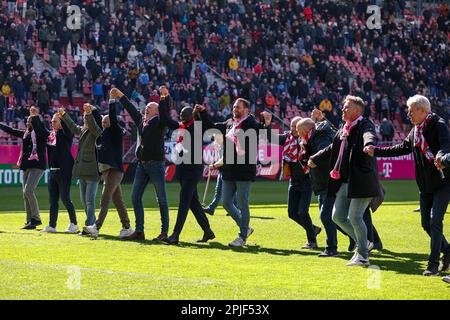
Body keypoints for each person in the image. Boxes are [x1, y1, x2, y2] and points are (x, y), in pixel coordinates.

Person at [365, 95, 450, 276]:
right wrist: (376, 151)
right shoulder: (416, 130)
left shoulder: (439, 124)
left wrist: (441, 157)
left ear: (422, 110)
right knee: (426, 224)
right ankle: (448, 251)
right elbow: (401, 148)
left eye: (411, 110)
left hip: (443, 182)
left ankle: (433, 264)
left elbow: (446, 146)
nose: (408, 114)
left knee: (435, 221)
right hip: (425, 185)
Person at [309, 95, 381, 267]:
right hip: (346, 181)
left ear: (356, 110)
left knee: (355, 217)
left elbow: (369, 135)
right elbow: (331, 148)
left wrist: (369, 144)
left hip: (362, 180)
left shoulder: (365, 125)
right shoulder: (344, 129)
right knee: (337, 216)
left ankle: (363, 255)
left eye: (346, 107)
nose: (342, 109)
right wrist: (315, 157)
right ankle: (364, 243)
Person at [202, 98, 272, 247]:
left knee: (242, 203)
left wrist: (266, 123)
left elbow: (262, 131)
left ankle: (242, 237)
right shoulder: (229, 123)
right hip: (229, 169)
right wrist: (202, 113)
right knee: (226, 202)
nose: (235, 109)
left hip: (244, 170)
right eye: (234, 107)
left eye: (238, 107)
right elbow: (211, 126)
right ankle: (245, 228)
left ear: (246, 110)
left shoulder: (250, 123)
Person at [111, 86, 176, 241]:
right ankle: (139, 231)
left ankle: (164, 232)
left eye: (150, 107)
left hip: (156, 164)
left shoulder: (160, 122)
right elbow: (130, 107)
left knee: (162, 199)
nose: (146, 108)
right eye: (146, 107)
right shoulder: (142, 121)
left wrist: (164, 96)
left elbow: (165, 111)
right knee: (135, 197)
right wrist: (120, 94)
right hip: (142, 165)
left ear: (157, 111)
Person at [163, 96, 216, 245]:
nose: (181, 118)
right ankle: (208, 231)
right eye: (180, 116)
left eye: (183, 116)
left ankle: (175, 234)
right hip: (183, 169)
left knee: (184, 201)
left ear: (190, 117)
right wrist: (164, 99)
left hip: (193, 170)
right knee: (193, 203)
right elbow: (166, 120)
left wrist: (202, 112)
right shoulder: (182, 127)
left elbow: (209, 124)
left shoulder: (197, 127)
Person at [83, 100, 134, 238]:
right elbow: (100, 120)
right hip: (107, 171)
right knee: (118, 201)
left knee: (105, 198)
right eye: (103, 122)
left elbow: (109, 117)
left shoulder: (115, 132)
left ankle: (96, 226)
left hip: (114, 170)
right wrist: (93, 109)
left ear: (112, 122)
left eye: (106, 122)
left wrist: (111, 101)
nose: (103, 124)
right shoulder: (103, 133)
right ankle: (127, 227)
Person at [276, 116, 322, 249]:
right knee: (292, 213)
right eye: (291, 126)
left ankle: (312, 241)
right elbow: (270, 137)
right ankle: (312, 228)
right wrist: (266, 124)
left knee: (302, 212)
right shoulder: (287, 138)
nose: (292, 129)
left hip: (307, 180)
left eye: (295, 126)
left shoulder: (309, 140)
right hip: (294, 181)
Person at [0, 106, 47, 229]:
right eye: (28, 120)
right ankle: (29, 221)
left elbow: (40, 129)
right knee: (25, 193)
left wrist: (35, 117)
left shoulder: (41, 132)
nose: (27, 122)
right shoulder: (26, 134)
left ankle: (36, 218)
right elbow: (12, 131)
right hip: (26, 166)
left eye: (30, 120)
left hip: (37, 165)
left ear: (36, 122)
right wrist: (1, 125)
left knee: (28, 190)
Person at [297, 116, 337, 256]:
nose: (298, 134)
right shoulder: (312, 138)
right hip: (321, 182)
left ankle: (332, 248)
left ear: (304, 130)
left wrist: (314, 159)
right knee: (330, 216)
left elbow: (326, 153)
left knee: (327, 216)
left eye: (299, 131)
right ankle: (350, 241)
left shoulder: (320, 137)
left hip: (328, 181)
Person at [60, 104, 102, 236]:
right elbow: (73, 127)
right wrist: (64, 115)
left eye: (86, 118)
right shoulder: (84, 130)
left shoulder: (96, 131)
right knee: (84, 201)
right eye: (84, 117)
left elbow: (94, 126)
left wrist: (89, 113)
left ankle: (89, 225)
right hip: (82, 172)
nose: (84, 119)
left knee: (89, 201)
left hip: (92, 172)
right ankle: (91, 224)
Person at [40, 114, 78, 234]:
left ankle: (74, 224)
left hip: (64, 172)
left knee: (65, 198)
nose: (52, 123)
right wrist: (35, 117)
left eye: (55, 121)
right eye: (51, 121)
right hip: (52, 171)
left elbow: (69, 129)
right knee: (53, 201)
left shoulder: (66, 134)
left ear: (61, 123)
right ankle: (52, 225)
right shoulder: (51, 135)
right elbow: (39, 129)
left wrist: (64, 115)